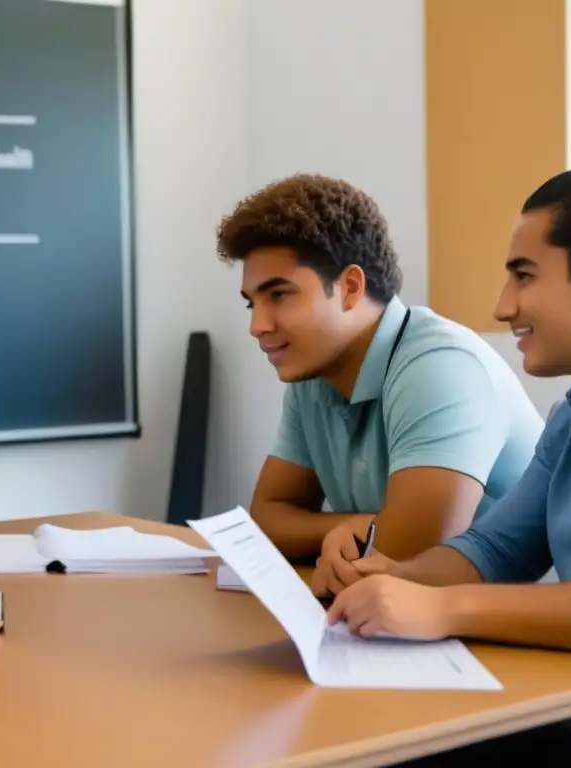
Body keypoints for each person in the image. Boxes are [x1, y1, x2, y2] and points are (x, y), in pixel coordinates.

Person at [327, 165, 571, 763]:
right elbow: (495, 551)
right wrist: (387, 577)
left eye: (524, 277)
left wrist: (444, 607)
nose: (502, 307)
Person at [215, 173, 544, 594]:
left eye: (279, 295)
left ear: (351, 287)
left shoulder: (439, 366)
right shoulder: (313, 374)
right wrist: (360, 526)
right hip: (414, 626)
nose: (257, 326)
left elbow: (410, 556)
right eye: (251, 303)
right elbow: (268, 518)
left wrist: (363, 533)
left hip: (518, 639)